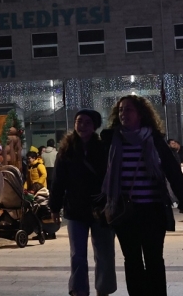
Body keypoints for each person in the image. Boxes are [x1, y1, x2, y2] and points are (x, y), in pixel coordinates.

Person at [101, 95, 183, 296]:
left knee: (154, 259)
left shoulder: (154, 139)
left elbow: (172, 172)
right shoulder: (111, 139)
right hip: (124, 212)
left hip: (152, 210)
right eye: (121, 110)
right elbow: (99, 172)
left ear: (140, 114)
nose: (124, 114)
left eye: (129, 110)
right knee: (132, 260)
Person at [49, 109, 116, 296]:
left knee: (104, 254)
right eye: (79, 121)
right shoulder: (67, 149)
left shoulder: (104, 147)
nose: (82, 126)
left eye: (87, 122)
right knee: (77, 254)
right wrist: (54, 207)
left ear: (95, 126)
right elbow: (58, 181)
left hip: (101, 209)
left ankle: (103, 289)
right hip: (75, 209)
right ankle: (78, 290)